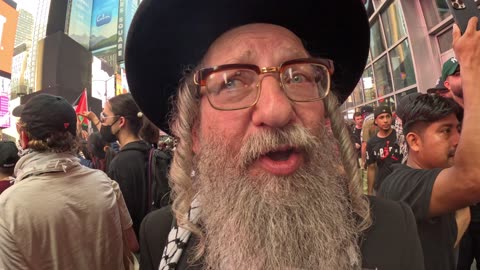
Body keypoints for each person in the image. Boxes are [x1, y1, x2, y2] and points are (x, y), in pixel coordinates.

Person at [126, 1, 424, 269]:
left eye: (297, 76)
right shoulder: (161, 237)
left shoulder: (394, 230)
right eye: (231, 82)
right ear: (195, 132)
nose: (277, 110)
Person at [378, 17, 480, 270]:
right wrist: (469, 64)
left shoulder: (438, 175)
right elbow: (472, 178)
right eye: (446, 131)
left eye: (458, 129)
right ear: (413, 141)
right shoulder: (398, 186)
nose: (457, 140)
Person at [0, 94, 138, 269]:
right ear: (74, 136)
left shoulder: (8, 208)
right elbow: (131, 245)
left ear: (23, 136)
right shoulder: (106, 185)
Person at [100, 93, 154, 238]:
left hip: (135, 244)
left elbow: (121, 217)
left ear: (121, 121)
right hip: (153, 238)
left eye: (105, 116)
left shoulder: (119, 163)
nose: (103, 122)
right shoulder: (150, 151)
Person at [366, 105, 402, 194]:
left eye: (388, 116)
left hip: (401, 185)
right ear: (376, 121)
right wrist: (370, 192)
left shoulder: (400, 136)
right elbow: (371, 168)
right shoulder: (371, 142)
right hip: (382, 187)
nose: (385, 120)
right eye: (381, 117)